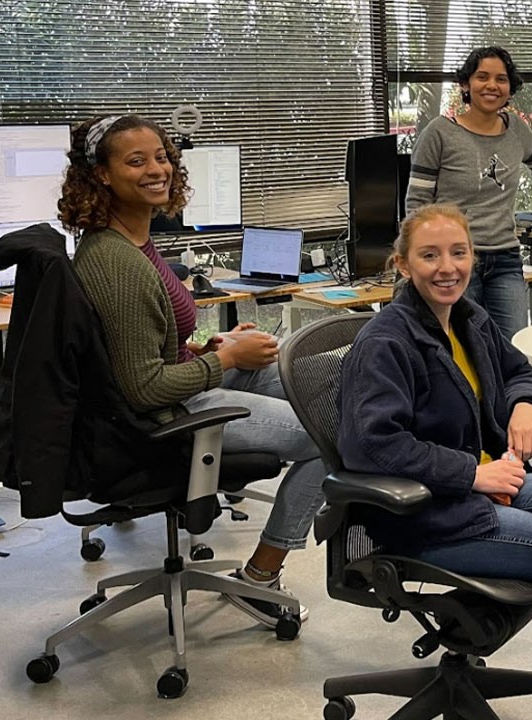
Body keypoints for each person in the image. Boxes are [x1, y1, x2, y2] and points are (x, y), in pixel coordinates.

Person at [337, 204, 532, 720]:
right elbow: (371, 445)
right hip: (430, 512)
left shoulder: (467, 317)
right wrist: (472, 474)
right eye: (429, 256)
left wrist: (524, 403)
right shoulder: (387, 342)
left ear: (474, 257)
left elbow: (517, 368)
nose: (447, 267)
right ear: (403, 265)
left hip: (491, 479)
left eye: (459, 253)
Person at [63, 114, 325, 627]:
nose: (156, 169)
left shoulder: (134, 241)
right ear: (102, 175)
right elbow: (143, 388)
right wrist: (224, 360)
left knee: (318, 379)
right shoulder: (116, 262)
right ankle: (260, 577)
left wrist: (212, 345)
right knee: (331, 436)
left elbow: (146, 348)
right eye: (135, 161)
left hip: (175, 389)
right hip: (161, 418)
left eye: (160, 157)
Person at [406, 45, 532, 341]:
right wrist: (425, 258)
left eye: (501, 79)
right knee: (462, 348)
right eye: (482, 77)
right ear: (466, 84)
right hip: (455, 260)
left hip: (505, 259)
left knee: (513, 350)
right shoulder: (439, 133)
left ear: (510, 87)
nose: (492, 85)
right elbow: (417, 206)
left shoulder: (516, 130)